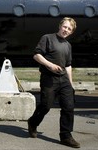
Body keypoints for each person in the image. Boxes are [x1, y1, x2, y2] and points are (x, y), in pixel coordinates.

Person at [28, 17, 80, 148]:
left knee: (68, 107)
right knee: (45, 106)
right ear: (60, 26)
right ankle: (33, 123)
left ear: (71, 32)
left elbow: (68, 66)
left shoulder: (68, 45)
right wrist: (49, 65)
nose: (66, 30)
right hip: (49, 78)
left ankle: (66, 136)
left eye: (69, 29)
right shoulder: (47, 38)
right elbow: (36, 55)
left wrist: (71, 83)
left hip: (64, 80)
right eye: (65, 27)